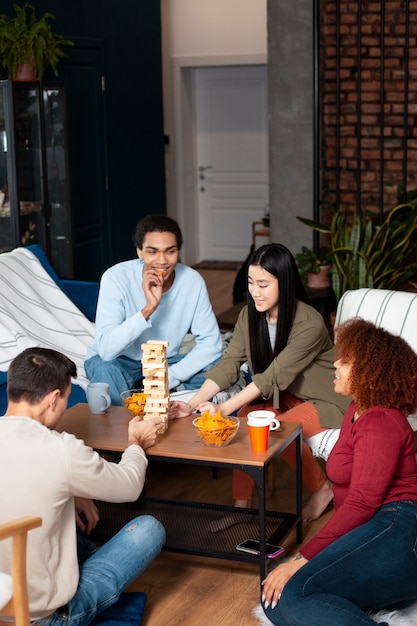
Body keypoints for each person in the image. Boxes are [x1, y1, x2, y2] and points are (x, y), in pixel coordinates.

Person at [169, 243, 350, 522]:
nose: (255, 291)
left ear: (285, 283)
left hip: (325, 400)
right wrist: (190, 404)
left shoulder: (309, 322)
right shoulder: (249, 315)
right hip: (284, 395)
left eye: (263, 284)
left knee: (279, 431)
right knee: (245, 421)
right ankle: (242, 509)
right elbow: (229, 363)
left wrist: (223, 407)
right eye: (251, 282)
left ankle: (322, 488)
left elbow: (273, 376)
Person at [262, 318, 417, 625]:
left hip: (397, 528)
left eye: (345, 362)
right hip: (373, 528)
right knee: (273, 599)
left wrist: (301, 557)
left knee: (293, 593)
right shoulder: (356, 410)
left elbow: (363, 502)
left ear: (372, 373)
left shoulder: (380, 422)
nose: (335, 364)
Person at [0, 347, 166, 624]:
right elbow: (129, 487)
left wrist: (74, 491)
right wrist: (135, 444)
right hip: (46, 615)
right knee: (148, 529)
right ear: (54, 399)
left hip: (3, 596)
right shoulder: (61, 449)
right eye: (65, 398)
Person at [85, 214, 222, 405]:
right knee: (103, 368)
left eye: (170, 251)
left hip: (165, 362)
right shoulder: (116, 278)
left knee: (220, 367)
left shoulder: (192, 281)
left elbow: (212, 344)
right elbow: (107, 350)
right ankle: (132, 419)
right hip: (120, 361)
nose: (162, 260)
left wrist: (169, 376)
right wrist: (148, 309)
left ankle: (149, 390)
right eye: (152, 252)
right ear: (139, 252)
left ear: (178, 251)